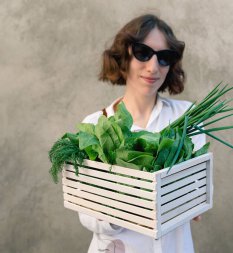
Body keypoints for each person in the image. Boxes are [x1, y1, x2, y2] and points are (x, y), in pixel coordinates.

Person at [78, 14, 206, 253]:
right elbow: (87, 214)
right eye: (143, 53)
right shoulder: (95, 125)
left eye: (164, 57)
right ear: (124, 54)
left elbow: (194, 192)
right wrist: (122, 211)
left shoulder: (188, 117)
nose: (153, 67)